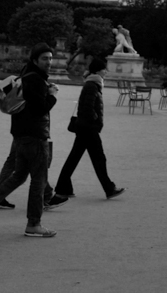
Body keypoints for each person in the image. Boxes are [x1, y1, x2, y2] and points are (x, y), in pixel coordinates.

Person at [0, 43, 59, 239]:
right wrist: (52, 95)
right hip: (35, 136)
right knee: (39, 180)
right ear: (36, 60)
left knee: (18, 176)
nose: (49, 62)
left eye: (51, 58)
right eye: (45, 58)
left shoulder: (25, 76)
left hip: (20, 135)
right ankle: (34, 223)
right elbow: (41, 108)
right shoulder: (36, 80)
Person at [52, 57, 124, 201]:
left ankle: (63, 187)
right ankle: (108, 188)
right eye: (104, 69)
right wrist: (95, 119)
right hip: (88, 128)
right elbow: (88, 107)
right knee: (98, 159)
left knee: (76, 158)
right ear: (98, 70)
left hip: (84, 127)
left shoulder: (92, 84)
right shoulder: (92, 85)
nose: (106, 71)